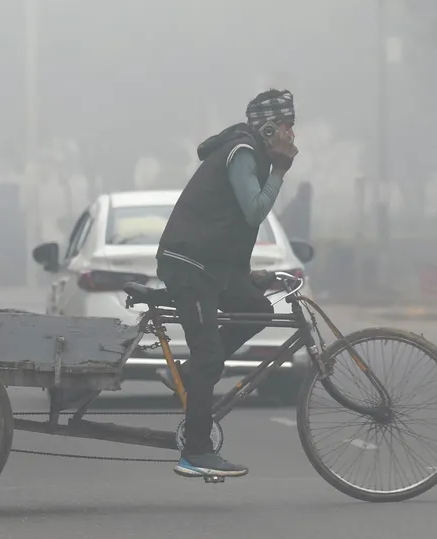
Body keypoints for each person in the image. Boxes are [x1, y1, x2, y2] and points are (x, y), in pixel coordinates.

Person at [155, 89, 299, 478]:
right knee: (209, 357)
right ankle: (196, 452)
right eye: (287, 127)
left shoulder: (254, 154)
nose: (291, 135)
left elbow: (229, 224)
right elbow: (253, 212)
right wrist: (281, 172)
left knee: (258, 309)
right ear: (268, 128)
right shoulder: (243, 152)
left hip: (212, 265)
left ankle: (185, 375)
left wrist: (244, 273)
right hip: (189, 265)